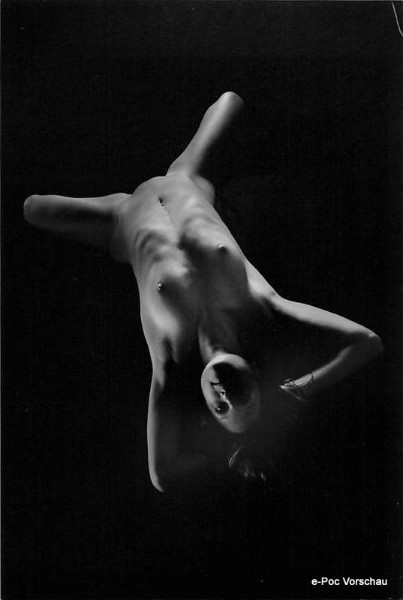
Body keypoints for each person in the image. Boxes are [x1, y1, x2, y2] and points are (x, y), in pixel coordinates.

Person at [24, 92, 383, 492]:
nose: (224, 394)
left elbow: (161, 474)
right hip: (185, 179)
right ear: (258, 379)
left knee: (32, 208)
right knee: (231, 100)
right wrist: (298, 389)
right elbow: (366, 341)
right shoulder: (262, 304)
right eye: (240, 397)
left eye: (220, 408)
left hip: (120, 219)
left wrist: (225, 457)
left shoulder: (171, 357)